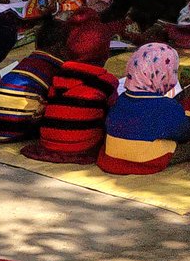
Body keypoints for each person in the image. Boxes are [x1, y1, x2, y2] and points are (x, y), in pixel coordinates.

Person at [22, 21, 119, 163]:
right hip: (83, 148)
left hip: (47, 144)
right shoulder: (106, 81)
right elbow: (113, 112)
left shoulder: (58, 76)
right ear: (105, 54)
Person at [98, 43, 190, 174]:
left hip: (112, 157)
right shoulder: (164, 106)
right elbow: (185, 132)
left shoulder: (120, 99)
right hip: (146, 161)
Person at [0, 17, 69, 142]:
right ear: (61, 47)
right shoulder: (55, 68)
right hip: (15, 130)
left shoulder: (26, 62)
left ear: (36, 44)